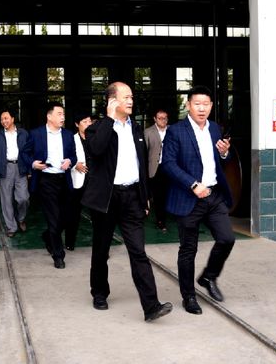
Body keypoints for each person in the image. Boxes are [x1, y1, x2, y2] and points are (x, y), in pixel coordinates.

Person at [82, 82, 173, 322]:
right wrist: (110, 119)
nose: (131, 101)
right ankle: (99, 292)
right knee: (101, 250)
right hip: (107, 199)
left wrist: (145, 197)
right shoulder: (96, 129)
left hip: (132, 197)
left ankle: (151, 306)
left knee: (138, 251)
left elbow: (141, 166)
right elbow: (96, 150)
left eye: (132, 97)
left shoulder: (136, 129)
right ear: (112, 101)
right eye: (126, 97)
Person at [160, 85, 234, 315]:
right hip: (188, 197)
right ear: (188, 105)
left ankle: (208, 277)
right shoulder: (176, 131)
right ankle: (189, 296)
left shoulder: (215, 129)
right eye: (197, 104)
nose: (202, 108)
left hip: (214, 195)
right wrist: (193, 184)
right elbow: (168, 164)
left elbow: (221, 161)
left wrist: (224, 153)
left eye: (206, 104)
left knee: (227, 238)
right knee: (188, 250)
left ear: (211, 106)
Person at [28, 102, 76, 269]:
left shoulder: (68, 135)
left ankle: (48, 236)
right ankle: (58, 255)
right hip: (46, 181)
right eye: (59, 114)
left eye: (63, 114)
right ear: (49, 116)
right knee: (54, 218)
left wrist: (70, 161)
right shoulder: (36, 134)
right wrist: (33, 163)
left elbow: (74, 156)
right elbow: (25, 153)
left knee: (67, 217)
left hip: (64, 180)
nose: (63, 117)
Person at [0, 109, 32, 237]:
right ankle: (11, 227)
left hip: (21, 167)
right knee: (6, 200)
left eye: (6, 118)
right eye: (2, 119)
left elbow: (29, 152)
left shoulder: (23, 133)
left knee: (23, 198)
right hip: (5, 168)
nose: (3, 121)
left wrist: (30, 170)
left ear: (13, 119)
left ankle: (21, 218)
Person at [65, 111, 92, 251]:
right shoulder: (71, 139)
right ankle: (69, 242)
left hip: (94, 181)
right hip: (78, 180)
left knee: (98, 215)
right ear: (77, 124)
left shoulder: (95, 138)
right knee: (73, 214)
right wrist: (76, 165)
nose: (88, 124)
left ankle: (101, 247)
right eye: (84, 122)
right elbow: (65, 156)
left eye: (89, 121)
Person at [144, 109, 170, 232]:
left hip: (170, 167)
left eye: (165, 118)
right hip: (155, 168)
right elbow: (144, 153)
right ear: (155, 119)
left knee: (169, 195)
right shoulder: (148, 132)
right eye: (160, 118)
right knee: (159, 196)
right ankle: (161, 220)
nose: (163, 120)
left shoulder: (172, 130)